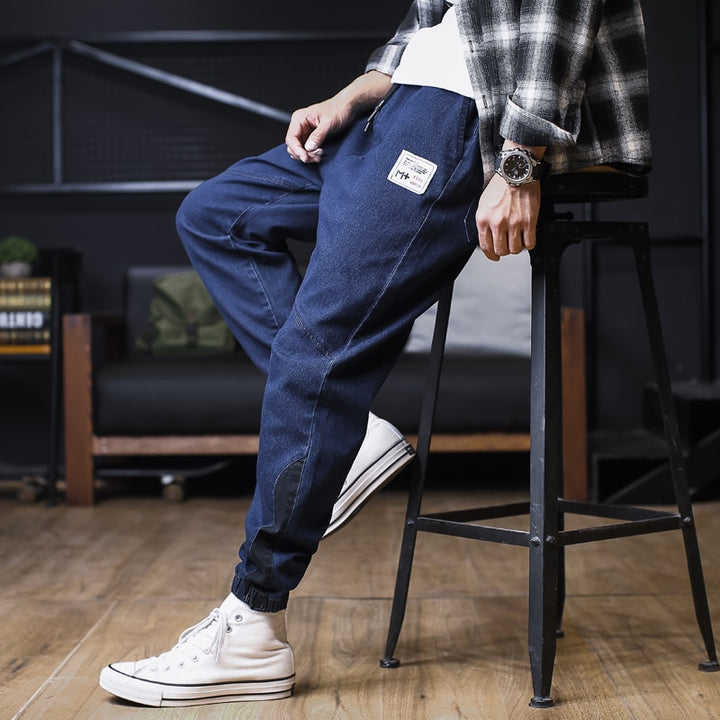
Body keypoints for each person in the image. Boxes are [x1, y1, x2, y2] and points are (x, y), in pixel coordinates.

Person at [99, 0, 652, 707]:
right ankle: (347, 434)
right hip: (398, 109)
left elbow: (556, 21)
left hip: (461, 117)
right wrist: (355, 93)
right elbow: (436, 19)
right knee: (218, 215)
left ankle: (253, 623)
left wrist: (520, 164)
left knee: (315, 349)